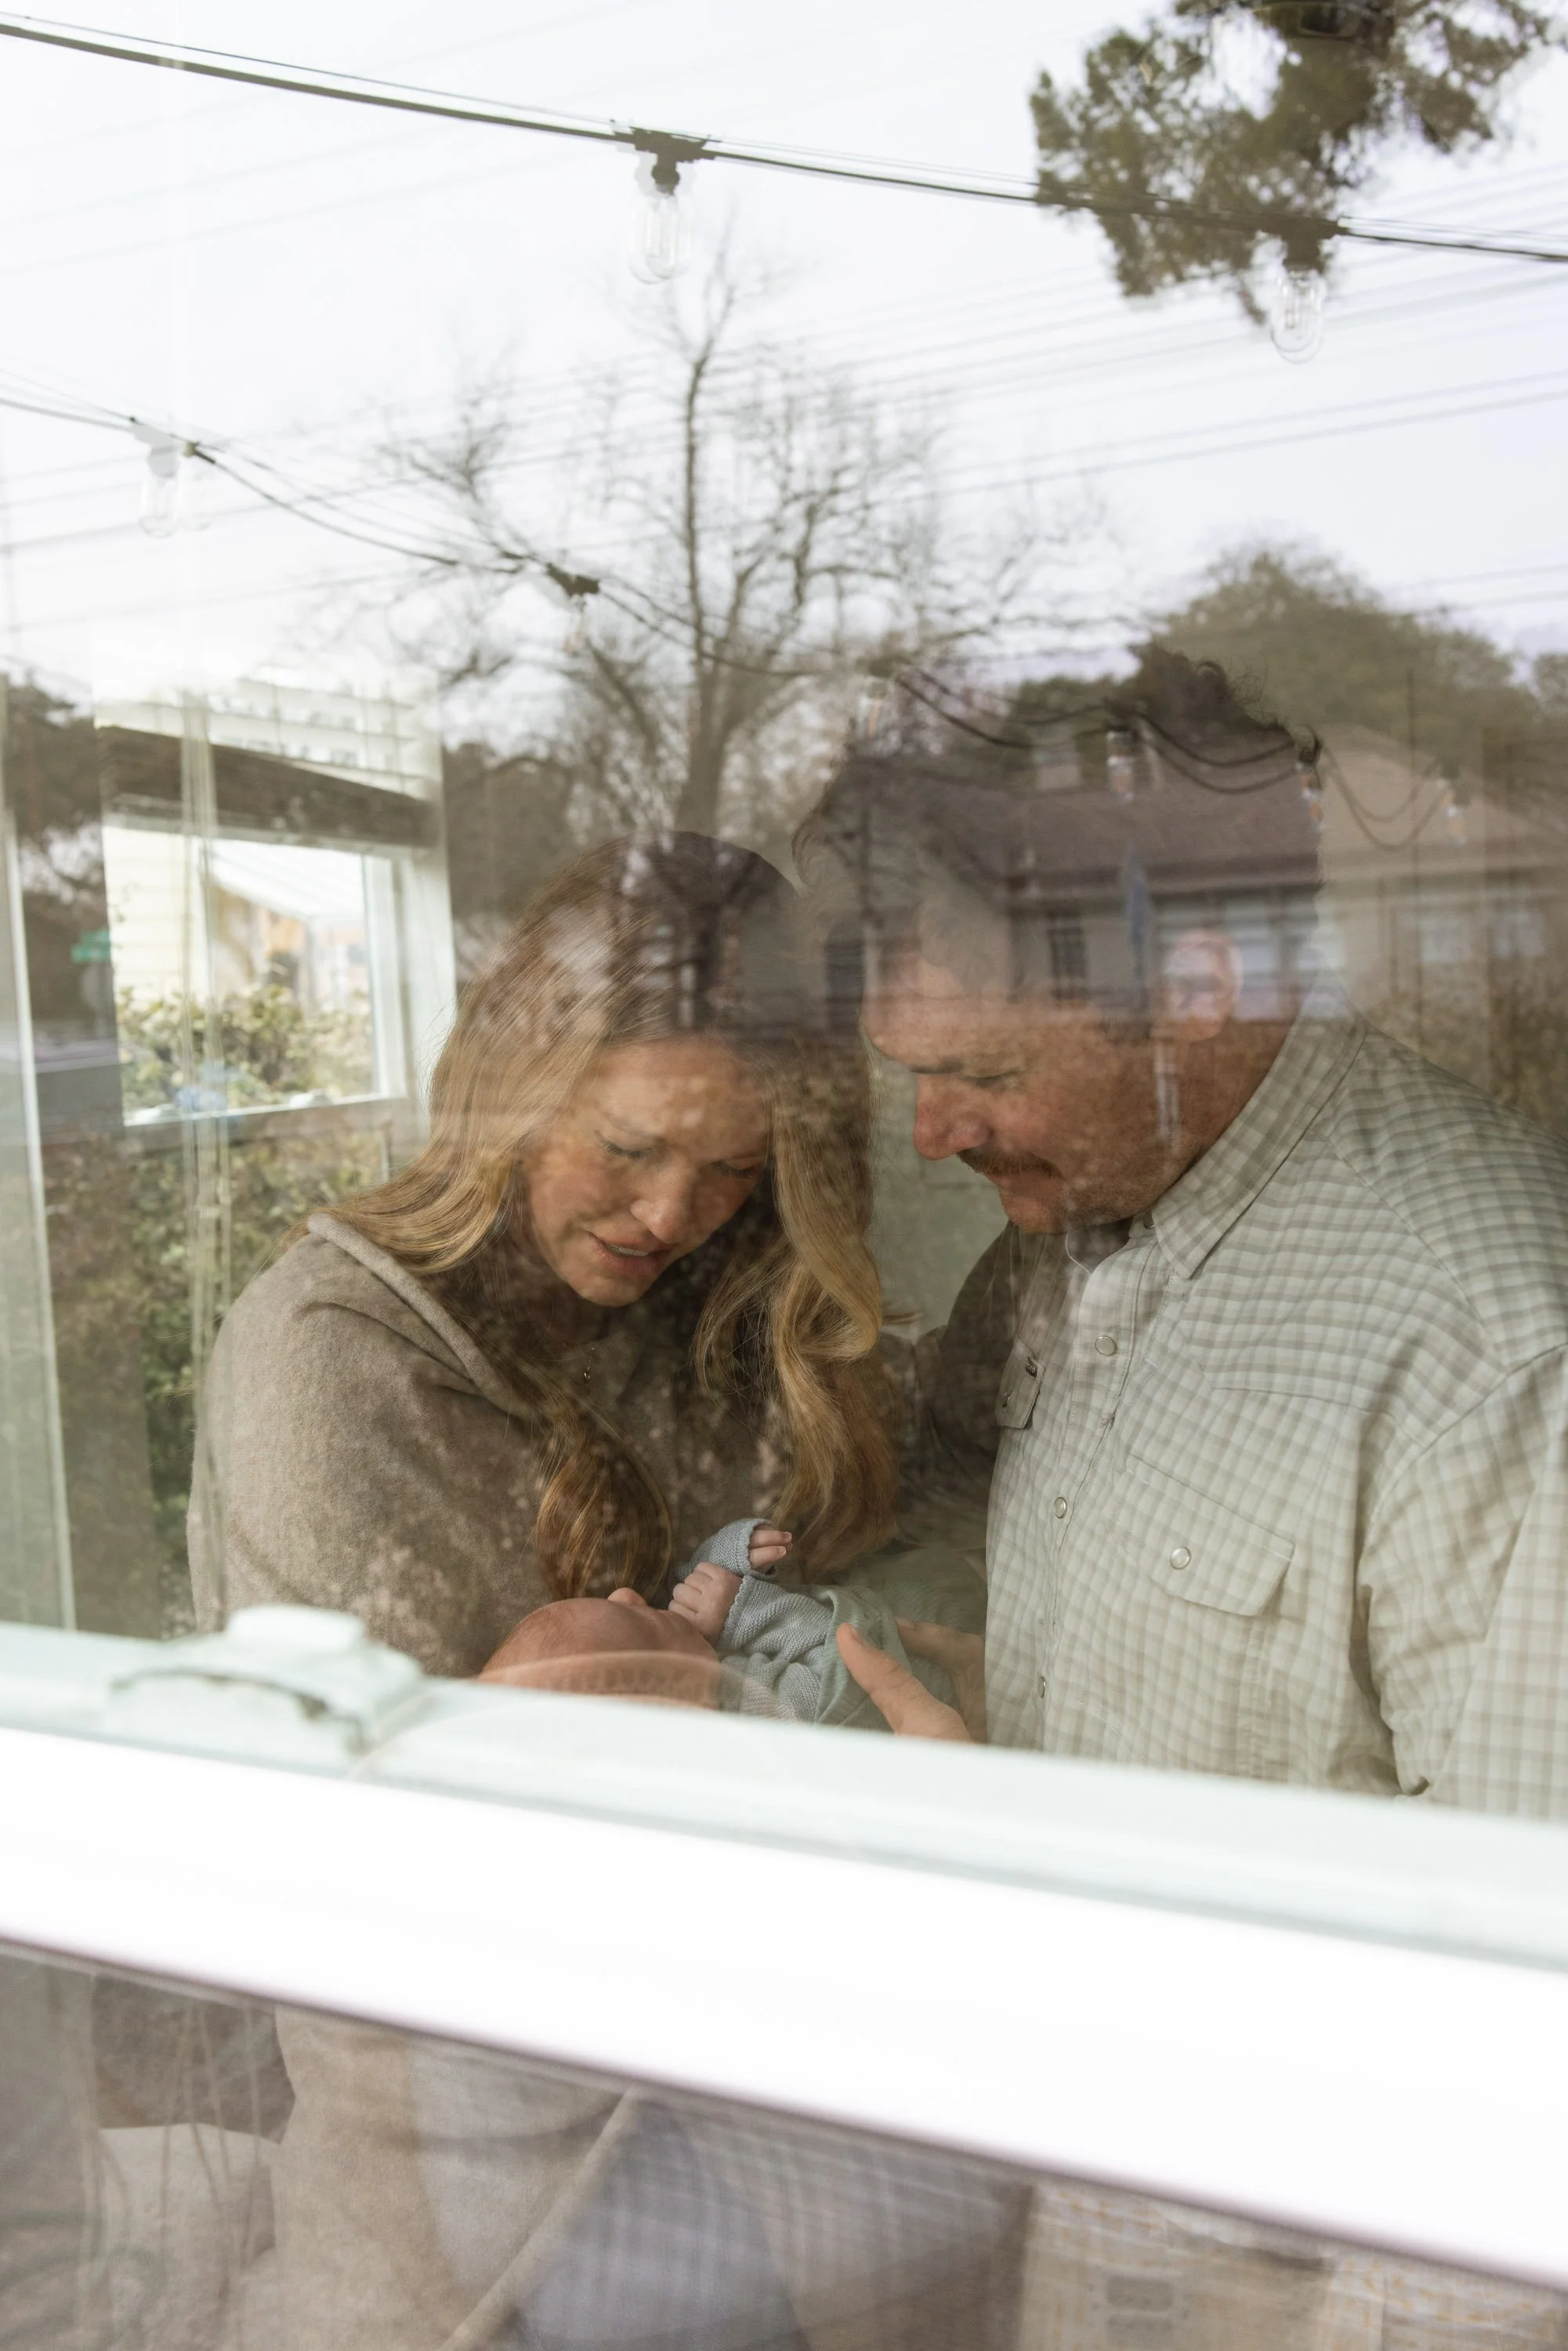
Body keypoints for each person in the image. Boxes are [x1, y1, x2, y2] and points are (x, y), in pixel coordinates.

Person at [805, 652, 1568, 1817]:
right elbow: (955, 1517)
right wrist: (1013, 1692)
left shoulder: (1493, 1355)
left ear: (1198, 987)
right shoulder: (1064, 1225)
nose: (930, 1133)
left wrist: (1002, 1851)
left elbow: (1509, 1946)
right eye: (908, 1071)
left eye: (983, 1071)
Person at [190, 831, 900, 1679]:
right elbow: (345, 1778)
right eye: (626, 1147)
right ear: (512, 1103)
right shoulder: (326, 1356)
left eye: (733, 1169)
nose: (671, 1218)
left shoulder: (723, 1297)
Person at [669, 1516, 986, 1729]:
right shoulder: (743, 1714)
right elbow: (845, 1676)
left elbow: (682, 1584)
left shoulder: (660, 1635)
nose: (624, 1596)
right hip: (973, 1654)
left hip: (935, 1564)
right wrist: (744, 1611)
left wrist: (726, 1559)